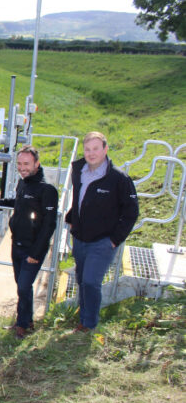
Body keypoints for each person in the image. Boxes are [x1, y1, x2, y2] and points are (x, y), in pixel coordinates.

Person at [65, 131, 138, 332]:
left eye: (96, 148)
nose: (91, 153)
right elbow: (79, 199)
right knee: (81, 280)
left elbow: (131, 212)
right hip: (80, 238)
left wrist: (114, 239)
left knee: (90, 281)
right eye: (87, 149)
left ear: (105, 150)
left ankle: (89, 324)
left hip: (103, 241)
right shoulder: (79, 170)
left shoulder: (118, 178)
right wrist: (72, 219)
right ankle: (82, 319)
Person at [0, 146, 58, 339]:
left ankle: (22, 325)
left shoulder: (47, 190)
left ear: (37, 163)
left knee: (23, 285)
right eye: (19, 164)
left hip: (32, 248)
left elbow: (49, 225)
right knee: (22, 285)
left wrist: (36, 254)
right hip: (16, 243)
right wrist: (0, 202)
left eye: (26, 164)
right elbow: (19, 203)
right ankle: (26, 320)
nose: (22, 167)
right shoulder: (23, 183)